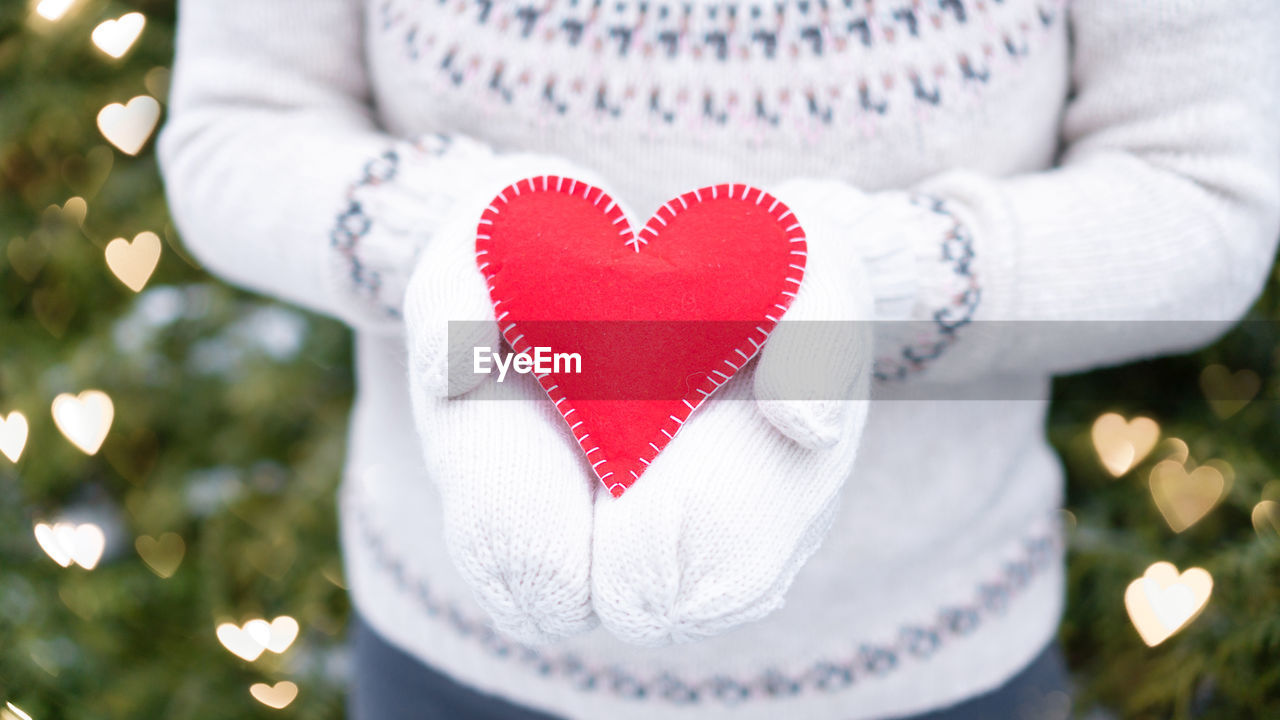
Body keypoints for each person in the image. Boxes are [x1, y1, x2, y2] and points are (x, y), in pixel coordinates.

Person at [158, 1, 1280, 718]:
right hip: (448, 645)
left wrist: (863, 282)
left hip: (916, 662)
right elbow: (238, 127)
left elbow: (1202, 199)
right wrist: (458, 253)